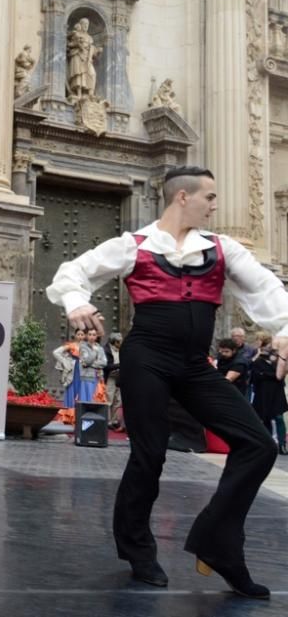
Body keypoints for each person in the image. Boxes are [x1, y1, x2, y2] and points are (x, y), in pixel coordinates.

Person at [46, 166, 281, 598]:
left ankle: (217, 541)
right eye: (209, 197)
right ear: (182, 198)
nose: (214, 205)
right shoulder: (134, 246)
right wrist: (77, 302)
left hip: (193, 364)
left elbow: (267, 290)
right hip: (147, 359)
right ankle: (138, 549)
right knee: (149, 455)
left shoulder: (221, 248)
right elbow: (73, 272)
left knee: (258, 444)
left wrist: (284, 333)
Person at [248, 333, 288, 455]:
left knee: (279, 417)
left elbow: (280, 374)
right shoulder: (257, 356)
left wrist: (266, 374)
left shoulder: (278, 355)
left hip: (276, 392)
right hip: (263, 392)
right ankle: (269, 444)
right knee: (265, 418)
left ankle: (282, 445)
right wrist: (269, 375)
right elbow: (255, 374)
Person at [52, 330, 85, 408]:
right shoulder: (71, 345)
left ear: (85, 336)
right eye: (78, 334)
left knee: (82, 390)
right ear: (75, 335)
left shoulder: (87, 346)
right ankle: (69, 413)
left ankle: (80, 412)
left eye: (82, 334)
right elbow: (56, 352)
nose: (80, 336)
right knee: (71, 388)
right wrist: (64, 361)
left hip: (84, 370)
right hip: (73, 370)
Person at [103, 332, 124, 430]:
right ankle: (107, 421)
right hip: (110, 378)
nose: (121, 343)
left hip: (119, 377)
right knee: (109, 399)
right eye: (119, 342)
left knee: (118, 400)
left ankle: (114, 420)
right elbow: (106, 366)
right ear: (114, 342)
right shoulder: (106, 350)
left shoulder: (122, 350)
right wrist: (120, 365)